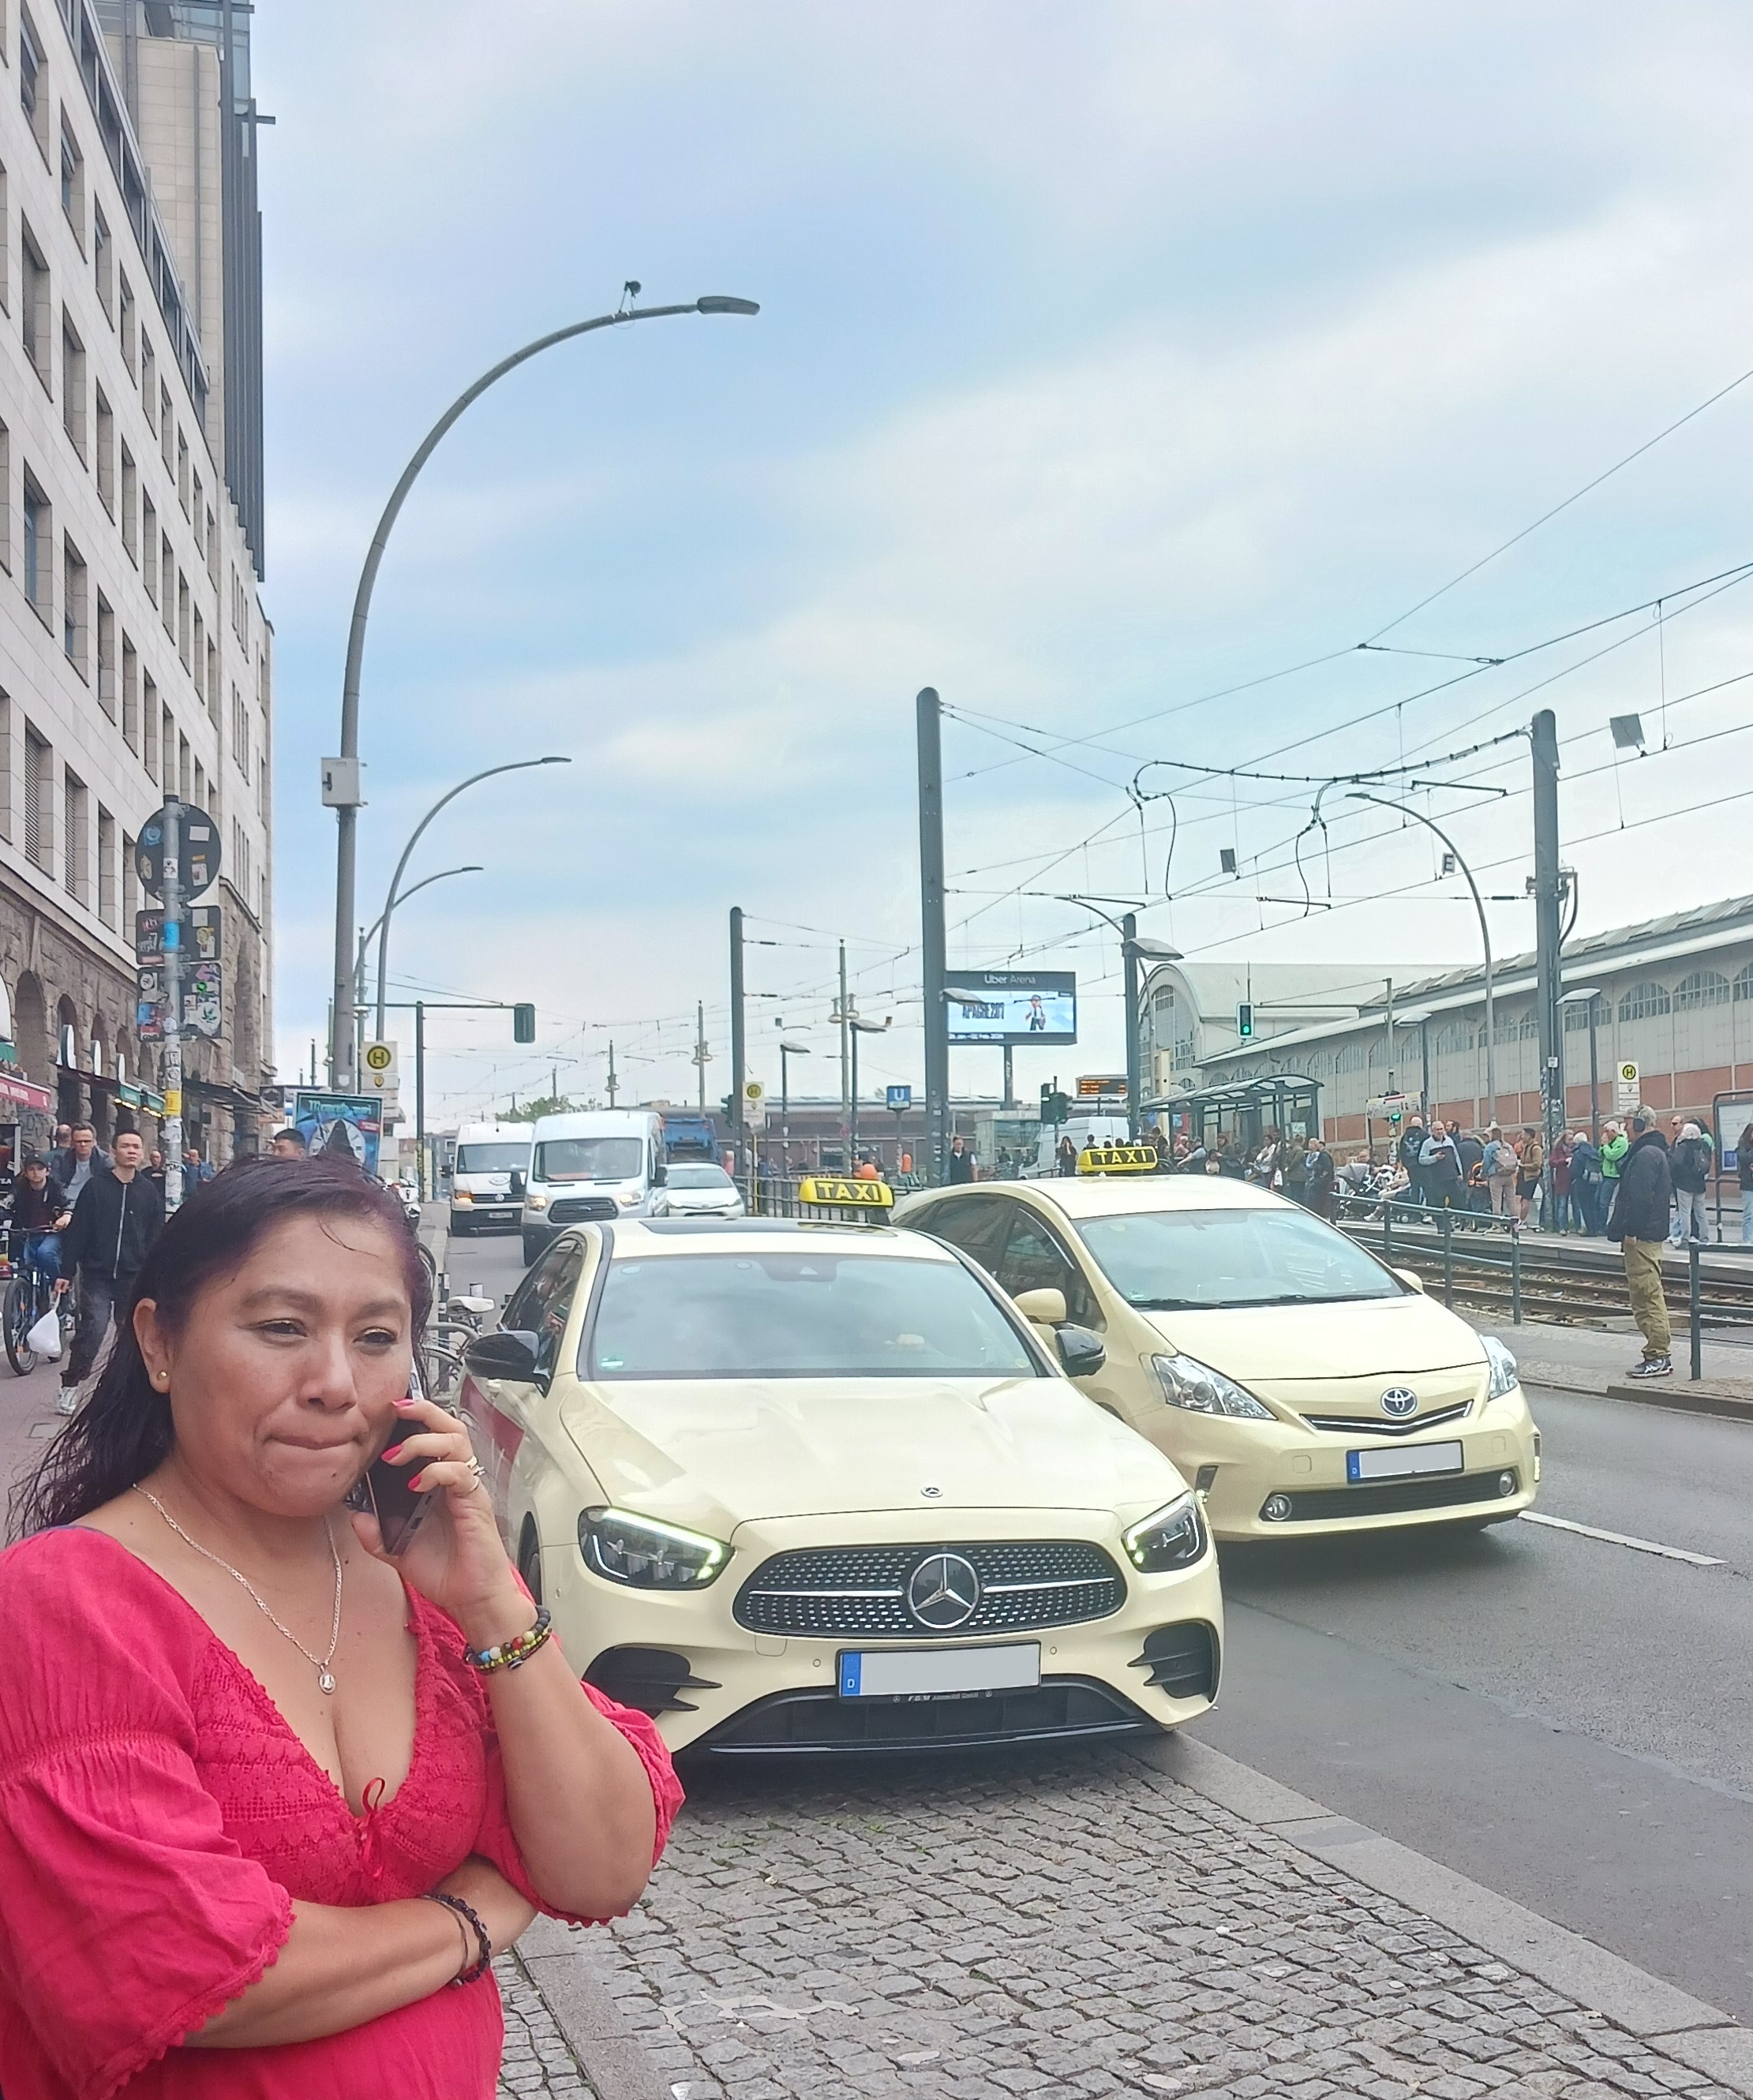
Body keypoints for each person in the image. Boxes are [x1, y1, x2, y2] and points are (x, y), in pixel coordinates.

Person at [0, 1156, 677, 2093]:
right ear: (158, 1343)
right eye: (281, 1328)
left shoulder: (425, 1593)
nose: (334, 1382)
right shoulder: (68, 1604)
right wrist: (468, 1921)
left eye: (375, 1338)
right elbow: (183, 1972)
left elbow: (598, 1869)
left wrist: (493, 1606)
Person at [54, 1129, 165, 1409]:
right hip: (97, 1274)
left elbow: (156, 1236)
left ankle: (127, 1393)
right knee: (93, 1330)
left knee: (132, 1337)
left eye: (136, 1146)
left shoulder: (149, 1192)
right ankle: (71, 1384)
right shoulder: (95, 1188)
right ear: (114, 1151)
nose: (131, 1151)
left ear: (142, 1153)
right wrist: (65, 1272)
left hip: (133, 1275)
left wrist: (155, 1273)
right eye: (125, 1146)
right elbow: (78, 1232)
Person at [1607, 1110, 1675, 1378]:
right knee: (1645, 1294)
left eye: (1627, 1123)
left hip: (1642, 1237)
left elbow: (1639, 1198)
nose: (1625, 1128)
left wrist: (1631, 1231)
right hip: (1647, 1235)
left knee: (1647, 1296)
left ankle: (1658, 1355)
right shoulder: (1652, 1152)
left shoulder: (1646, 1155)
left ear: (1638, 1123)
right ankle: (1656, 1353)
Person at [10, 1155, 71, 1287]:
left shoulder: (57, 1188)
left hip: (53, 1232)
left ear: (47, 1171)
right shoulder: (18, 1188)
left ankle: (60, 1285)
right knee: (22, 1262)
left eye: (39, 1169)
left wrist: (65, 1216)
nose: (35, 1172)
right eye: (31, 1169)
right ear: (25, 1173)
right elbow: (5, 1205)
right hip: (26, 1233)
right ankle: (24, 1290)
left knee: (45, 1253)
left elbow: (68, 1205)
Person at [1669, 1121, 1711, 1246]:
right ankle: (1704, 1237)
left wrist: (1676, 1176)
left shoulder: (1683, 1146)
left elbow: (1676, 1162)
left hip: (1684, 1184)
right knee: (1701, 1212)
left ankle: (1685, 1238)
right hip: (1699, 1184)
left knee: (1685, 1212)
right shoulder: (1703, 1145)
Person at [50, 1120, 108, 1204]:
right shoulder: (61, 1159)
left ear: (94, 1142)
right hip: (66, 1203)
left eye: (87, 1141)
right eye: (79, 1141)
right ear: (72, 1143)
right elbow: (55, 1182)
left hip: (94, 1204)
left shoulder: (104, 1160)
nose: (83, 1144)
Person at [1419, 1121, 1464, 1215]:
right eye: (1437, 1130)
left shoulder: (1449, 1141)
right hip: (1437, 1179)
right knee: (1439, 1203)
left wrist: (1460, 1172)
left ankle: (1459, 1220)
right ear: (1433, 1131)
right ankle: (1441, 1223)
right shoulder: (1427, 1144)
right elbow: (1421, 1160)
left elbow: (1456, 1157)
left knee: (1458, 1201)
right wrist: (1435, 1158)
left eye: (1441, 1129)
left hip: (1452, 1177)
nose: (1440, 1132)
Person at [1568, 1132, 1602, 1236]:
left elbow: (1575, 1169)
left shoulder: (1579, 1152)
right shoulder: (1593, 1151)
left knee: (1585, 1205)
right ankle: (1595, 1228)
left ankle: (1589, 1229)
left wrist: (1572, 1172)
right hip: (1594, 1180)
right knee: (1592, 1205)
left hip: (1582, 1181)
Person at [1482, 1125, 1516, 1219]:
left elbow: (1486, 1162)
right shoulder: (1508, 1146)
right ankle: (1515, 1223)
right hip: (1509, 1175)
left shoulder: (1490, 1146)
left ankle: (1497, 1224)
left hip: (1496, 1176)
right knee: (1511, 1201)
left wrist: (1483, 1173)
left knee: (1496, 1201)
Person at [1302, 1133, 1337, 1220]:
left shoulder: (1324, 1155)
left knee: (1313, 1189)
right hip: (1322, 1178)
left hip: (1323, 1180)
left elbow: (1327, 1168)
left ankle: (1315, 1209)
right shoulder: (1323, 1154)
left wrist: (1322, 1176)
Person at [1396, 1117, 1428, 1207]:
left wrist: (1406, 1165)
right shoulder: (1424, 1135)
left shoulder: (1404, 1137)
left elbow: (1401, 1152)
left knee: (1414, 1188)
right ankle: (1428, 1210)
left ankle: (1414, 1210)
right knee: (1427, 1188)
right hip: (1423, 1166)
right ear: (1420, 1125)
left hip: (1410, 1167)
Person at [1600, 1120, 1628, 1191]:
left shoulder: (1622, 1142)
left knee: (1605, 1197)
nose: (1606, 1134)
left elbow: (1612, 1156)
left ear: (1613, 1131)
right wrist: (1602, 1145)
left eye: (1607, 1131)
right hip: (1605, 1174)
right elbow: (1600, 1155)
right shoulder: (1610, 1142)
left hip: (1613, 1176)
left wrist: (1605, 1145)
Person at [1740, 1122, 1753, 1251]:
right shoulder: (1743, 1146)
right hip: (1748, 1184)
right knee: (1749, 1212)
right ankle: (1747, 1238)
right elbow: (1745, 1159)